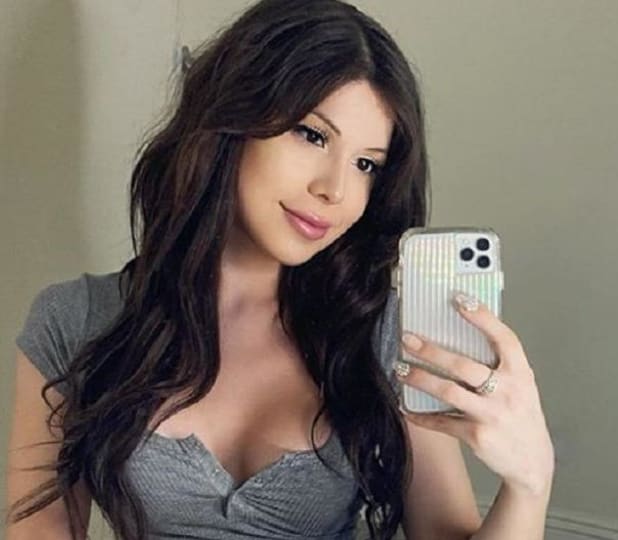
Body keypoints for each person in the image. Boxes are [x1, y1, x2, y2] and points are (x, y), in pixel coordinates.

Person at [5, 0, 555, 538]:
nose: (335, 190)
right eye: (313, 135)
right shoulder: (75, 320)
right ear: (233, 117)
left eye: (367, 164)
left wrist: (530, 482)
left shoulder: (389, 334)